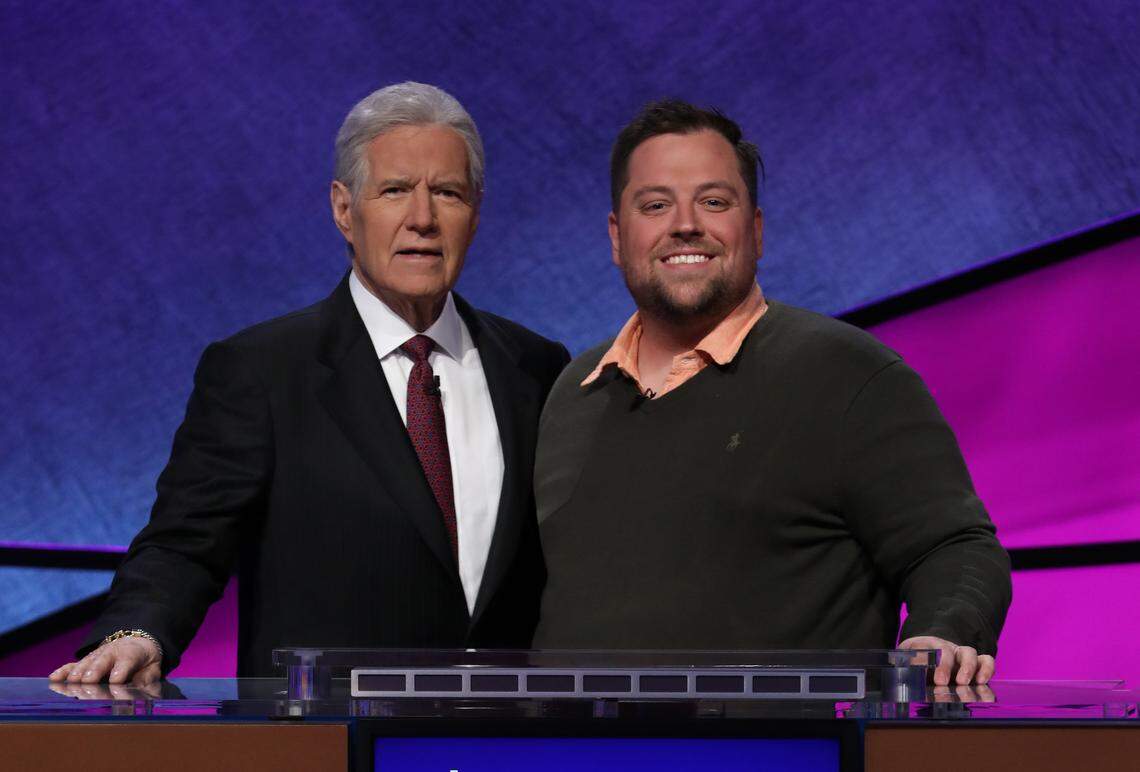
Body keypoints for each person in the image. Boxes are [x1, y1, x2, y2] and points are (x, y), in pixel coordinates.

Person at [50, 82, 569, 684]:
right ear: (345, 209)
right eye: (396, 190)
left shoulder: (535, 367)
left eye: (447, 193)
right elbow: (185, 541)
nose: (422, 219)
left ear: (475, 212)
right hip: (327, 740)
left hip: (497, 738)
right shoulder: (261, 370)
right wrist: (138, 630)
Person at [533, 100, 1011, 686]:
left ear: (755, 229)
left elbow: (954, 546)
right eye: (655, 205)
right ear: (616, 236)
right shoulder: (572, 395)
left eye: (713, 201)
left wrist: (943, 632)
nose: (684, 224)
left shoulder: (850, 375)